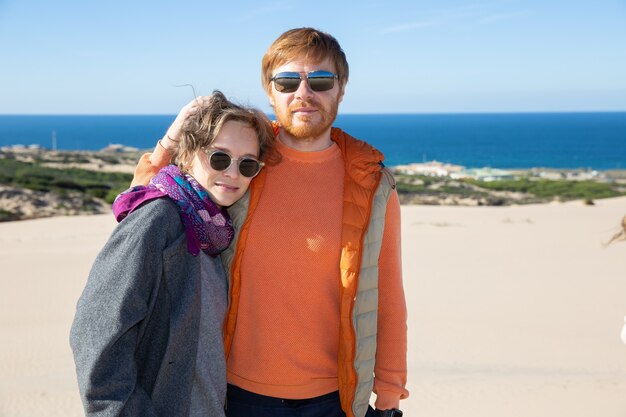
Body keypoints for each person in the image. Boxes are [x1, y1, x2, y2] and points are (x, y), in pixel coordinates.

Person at [132, 28, 408, 417]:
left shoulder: (373, 184)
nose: (304, 93)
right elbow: (144, 202)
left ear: (341, 90)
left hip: (335, 400)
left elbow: (387, 298)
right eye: (288, 81)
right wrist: (171, 139)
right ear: (269, 90)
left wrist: (390, 398)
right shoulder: (242, 163)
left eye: (321, 81)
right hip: (233, 393)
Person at [69, 91, 276, 417]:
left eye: (247, 164)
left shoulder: (214, 232)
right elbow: (95, 335)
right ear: (189, 154)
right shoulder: (158, 219)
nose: (233, 173)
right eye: (219, 158)